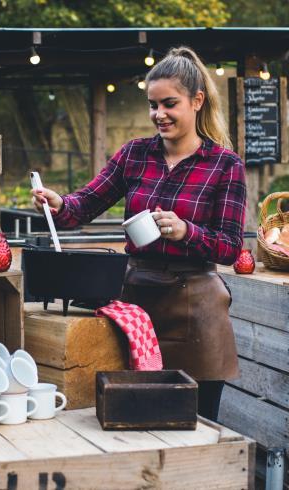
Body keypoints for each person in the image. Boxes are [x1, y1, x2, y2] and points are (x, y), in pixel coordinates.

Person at [31, 46, 246, 421]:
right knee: (129, 419)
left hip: (198, 310)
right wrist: (59, 204)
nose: (158, 115)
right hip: (135, 307)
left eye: (169, 104)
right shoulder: (135, 154)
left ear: (197, 101)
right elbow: (84, 204)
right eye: (152, 105)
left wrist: (186, 231)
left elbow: (230, 247)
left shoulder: (225, 166)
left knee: (198, 425)